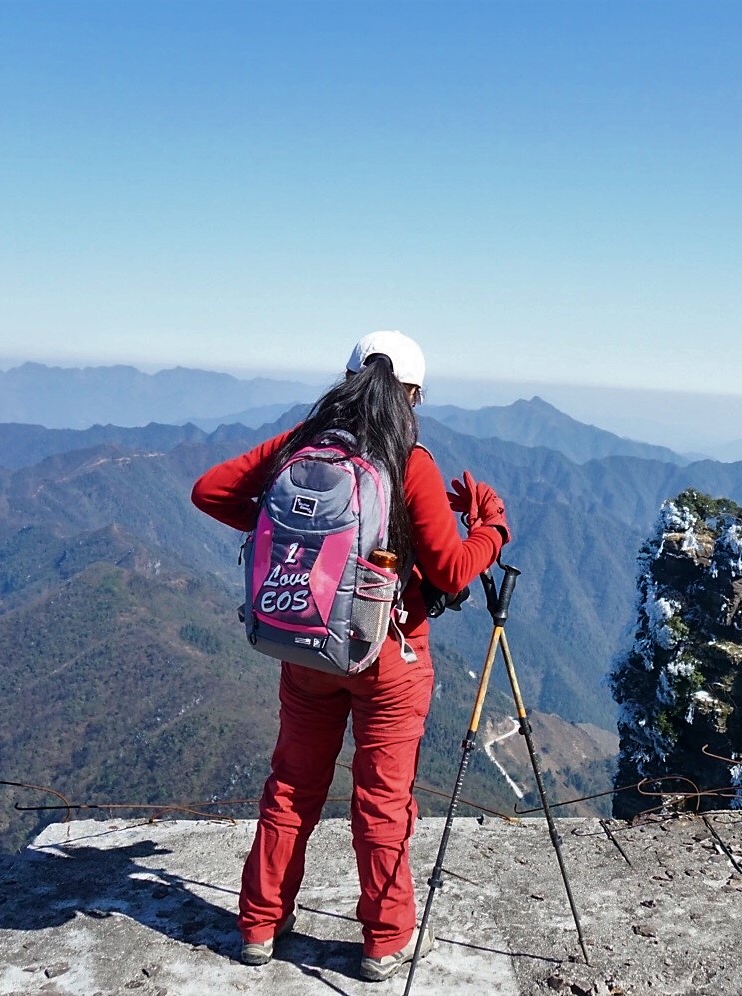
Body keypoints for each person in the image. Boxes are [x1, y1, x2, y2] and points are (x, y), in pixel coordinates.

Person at [190, 330, 509, 982]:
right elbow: (450, 573)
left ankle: (259, 924)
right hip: (389, 657)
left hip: (306, 647)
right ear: (414, 395)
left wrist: (290, 534)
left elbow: (210, 491)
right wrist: (490, 530)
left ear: (345, 378)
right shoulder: (409, 463)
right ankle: (382, 941)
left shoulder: (299, 447)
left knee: (290, 787)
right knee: (381, 802)